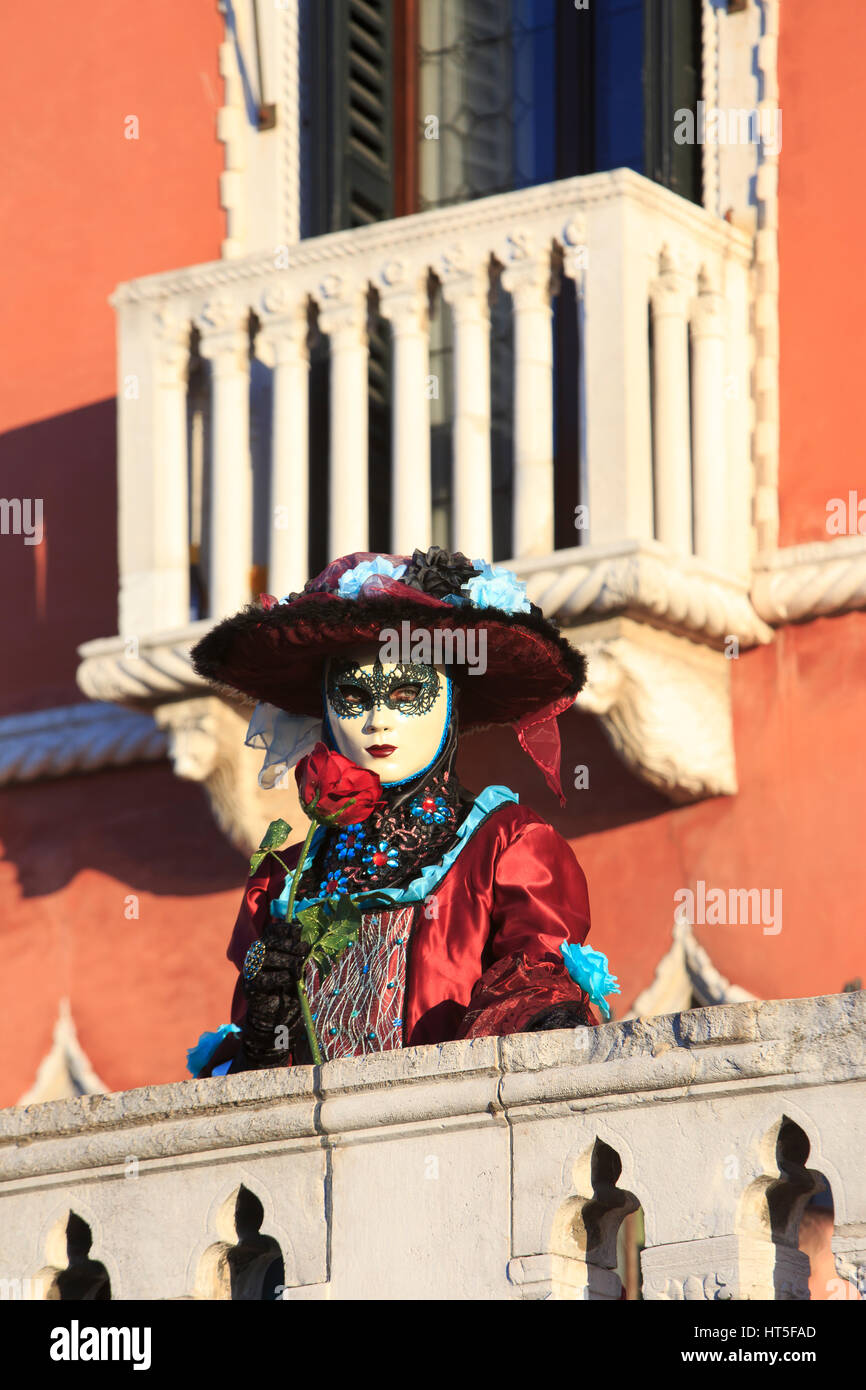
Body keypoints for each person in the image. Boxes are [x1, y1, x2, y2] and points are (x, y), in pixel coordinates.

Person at [185, 548, 618, 1077]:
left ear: (450, 700)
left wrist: (543, 1019)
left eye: (407, 691)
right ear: (323, 709)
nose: (377, 720)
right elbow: (254, 1098)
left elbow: (531, 1001)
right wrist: (269, 1039)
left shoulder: (508, 848)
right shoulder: (283, 885)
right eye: (351, 695)